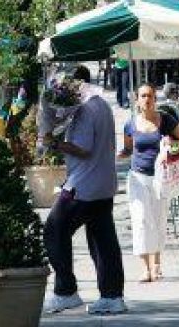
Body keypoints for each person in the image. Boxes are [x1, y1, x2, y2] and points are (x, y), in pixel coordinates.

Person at [43, 65, 126, 316]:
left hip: (83, 185)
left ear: (75, 86)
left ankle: (66, 291)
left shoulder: (85, 110)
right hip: (104, 184)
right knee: (103, 240)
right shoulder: (102, 104)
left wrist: (55, 143)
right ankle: (112, 296)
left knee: (54, 230)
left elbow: (83, 148)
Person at [118, 84, 179, 283]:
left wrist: (169, 144)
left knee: (158, 220)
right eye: (143, 96)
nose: (147, 99)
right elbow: (128, 150)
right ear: (137, 100)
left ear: (155, 99)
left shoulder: (166, 120)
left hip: (160, 177)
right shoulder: (130, 124)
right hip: (137, 178)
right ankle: (145, 268)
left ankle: (157, 263)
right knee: (140, 221)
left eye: (150, 96)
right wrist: (113, 156)